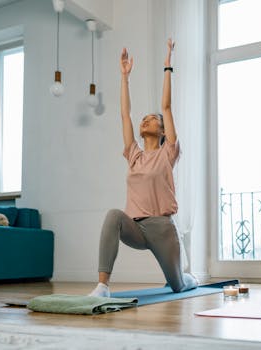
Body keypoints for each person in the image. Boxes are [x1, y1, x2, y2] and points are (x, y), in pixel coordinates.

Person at [89, 39, 198, 297]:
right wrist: (124, 77)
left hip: (162, 228)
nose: (145, 119)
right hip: (136, 228)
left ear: (162, 130)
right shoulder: (134, 154)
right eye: (144, 119)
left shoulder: (168, 152)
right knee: (113, 215)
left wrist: (167, 68)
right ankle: (102, 286)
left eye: (152, 119)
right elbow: (124, 114)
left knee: (177, 287)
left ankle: (187, 277)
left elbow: (166, 107)